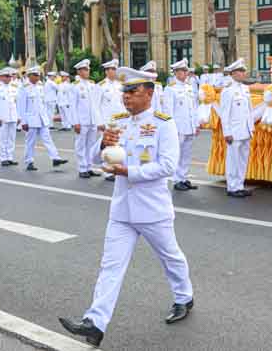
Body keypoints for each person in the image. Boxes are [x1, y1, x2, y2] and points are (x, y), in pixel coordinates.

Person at [59, 66, 194, 348]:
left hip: (152, 210)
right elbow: (98, 159)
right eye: (125, 92)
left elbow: (168, 166)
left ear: (149, 93)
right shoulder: (118, 121)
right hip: (122, 210)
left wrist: (128, 172)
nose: (126, 97)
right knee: (110, 267)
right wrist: (101, 145)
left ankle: (184, 297)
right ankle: (95, 323)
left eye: (133, 91)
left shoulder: (163, 123)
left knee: (171, 257)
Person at [17, 66, 68, 171]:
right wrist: (23, 122)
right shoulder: (24, 88)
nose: (38, 77)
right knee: (30, 142)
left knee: (47, 139)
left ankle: (55, 158)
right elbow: (21, 106)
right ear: (29, 76)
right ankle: (29, 161)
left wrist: (46, 118)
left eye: (38, 75)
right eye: (35, 75)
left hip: (42, 118)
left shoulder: (40, 86)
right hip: (31, 120)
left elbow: (42, 104)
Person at [220, 58, 255, 197]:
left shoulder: (245, 89)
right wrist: (227, 132)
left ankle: (239, 185)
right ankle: (232, 187)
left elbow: (249, 111)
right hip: (234, 132)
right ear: (233, 73)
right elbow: (225, 114)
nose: (243, 73)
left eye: (243, 71)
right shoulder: (228, 91)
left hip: (245, 130)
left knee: (242, 160)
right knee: (233, 160)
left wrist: (251, 128)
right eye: (240, 71)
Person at [163, 58, 199, 191]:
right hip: (178, 127)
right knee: (177, 154)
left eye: (186, 70)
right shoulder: (170, 89)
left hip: (189, 126)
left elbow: (193, 107)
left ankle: (183, 178)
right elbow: (168, 111)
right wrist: (171, 128)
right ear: (176, 73)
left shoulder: (189, 87)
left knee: (187, 154)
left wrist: (196, 124)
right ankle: (177, 180)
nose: (185, 73)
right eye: (182, 71)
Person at [68, 59, 102, 178]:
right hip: (82, 121)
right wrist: (75, 122)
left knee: (91, 145)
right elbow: (72, 106)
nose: (87, 71)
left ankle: (89, 166)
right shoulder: (75, 86)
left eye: (88, 69)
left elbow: (96, 105)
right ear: (79, 71)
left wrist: (98, 121)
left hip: (92, 120)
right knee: (81, 144)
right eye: (85, 69)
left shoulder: (92, 85)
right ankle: (82, 168)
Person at [0, 68, 20, 166]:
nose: (9, 78)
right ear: (1, 77)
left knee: (12, 138)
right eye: (7, 76)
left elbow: (17, 103)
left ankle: (10, 157)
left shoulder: (14, 87)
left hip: (13, 116)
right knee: (3, 138)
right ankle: (4, 158)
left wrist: (19, 116)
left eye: (10, 76)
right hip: (2, 117)